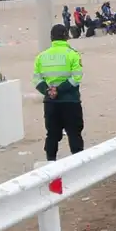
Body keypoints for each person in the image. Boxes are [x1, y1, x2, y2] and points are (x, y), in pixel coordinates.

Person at [33, 24, 85, 161]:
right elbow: (76, 77)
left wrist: (48, 90)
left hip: (50, 102)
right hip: (70, 101)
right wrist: (59, 89)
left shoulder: (41, 56)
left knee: (52, 135)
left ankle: (51, 162)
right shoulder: (72, 54)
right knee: (74, 134)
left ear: (51, 38)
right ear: (66, 36)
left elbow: (36, 80)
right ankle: (78, 162)